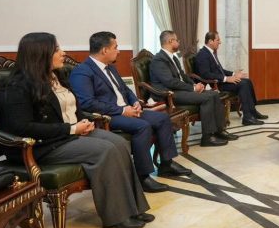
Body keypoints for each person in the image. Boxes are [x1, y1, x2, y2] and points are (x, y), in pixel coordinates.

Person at [0, 32, 152, 228]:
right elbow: (22, 127)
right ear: (41, 54)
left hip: (68, 135)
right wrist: (71, 129)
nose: (63, 53)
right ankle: (118, 215)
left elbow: (71, 108)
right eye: (57, 49)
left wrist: (83, 121)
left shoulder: (56, 77)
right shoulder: (17, 86)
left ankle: (134, 208)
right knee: (106, 150)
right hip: (43, 146)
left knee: (120, 143)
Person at [70, 31, 192, 194]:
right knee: (142, 126)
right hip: (108, 116)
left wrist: (135, 102)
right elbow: (87, 103)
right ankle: (143, 176)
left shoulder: (110, 68)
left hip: (128, 110)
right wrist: (122, 110)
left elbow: (125, 90)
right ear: (105, 50)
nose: (119, 51)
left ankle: (166, 164)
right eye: (115, 47)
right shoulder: (82, 71)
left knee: (162, 119)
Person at [149, 30, 238, 147]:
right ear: (170, 41)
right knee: (207, 98)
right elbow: (170, 82)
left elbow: (183, 76)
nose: (178, 42)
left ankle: (219, 131)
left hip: (181, 90)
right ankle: (207, 137)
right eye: (177, 40)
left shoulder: (173, 58)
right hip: (170, 94)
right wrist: (192, 88)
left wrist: (195, 85)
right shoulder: (159, 60)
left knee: (214, 94)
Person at [195, 31, 268, 126]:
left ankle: (252, 111)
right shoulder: (203, 54)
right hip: (217, 84)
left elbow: (220, 70)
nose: (220, 42)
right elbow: (206, 74)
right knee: (243, 84)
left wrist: (234, 74)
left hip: (221, 81)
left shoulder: (210, 52)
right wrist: (226, 79)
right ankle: (247, 117)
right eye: (218, 40)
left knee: (247, 81)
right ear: (210, 41)